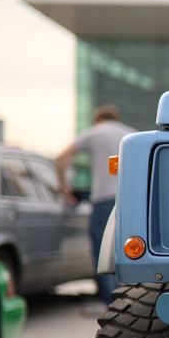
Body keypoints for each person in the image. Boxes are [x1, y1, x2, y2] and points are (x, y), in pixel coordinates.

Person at [56, 104, 133, 311]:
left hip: (103, 199)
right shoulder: (130, 134)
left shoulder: (93, 133)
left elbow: (62, 157)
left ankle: (112, 303)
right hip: (130, 197)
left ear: (97, 119)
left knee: (103, 251)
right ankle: (131, 300)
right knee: (128, 248)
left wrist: (64, 188)